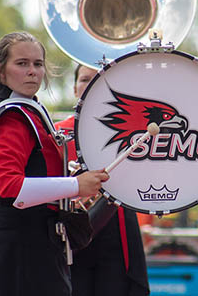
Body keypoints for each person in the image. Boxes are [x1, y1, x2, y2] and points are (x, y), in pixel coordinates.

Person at [0, 31, 108, 296]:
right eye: (21, 64)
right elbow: (11, 188)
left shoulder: (30, 111)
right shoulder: (12, 117)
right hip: (20, 248)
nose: (32, 71)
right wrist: (75, 185)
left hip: (33, 245)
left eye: (38, 64)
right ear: (0, 71)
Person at [55, 64, 150, 296]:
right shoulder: (56, 133)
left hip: (117, 232)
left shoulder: (132, 132)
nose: (90, 86)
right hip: (71, 238)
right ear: (75, 89)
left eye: (98, 80)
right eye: (85, 80)